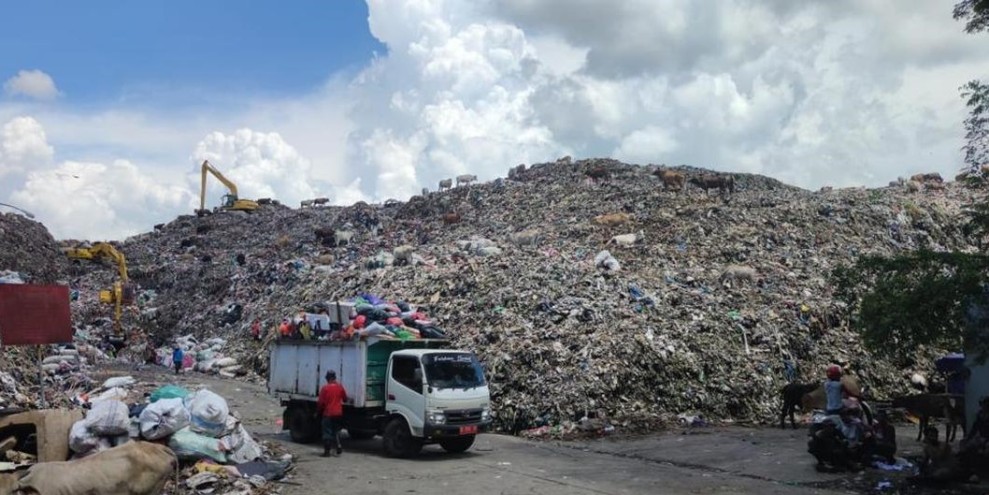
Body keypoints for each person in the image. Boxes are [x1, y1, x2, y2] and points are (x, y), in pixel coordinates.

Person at [316, 370, 347, 457]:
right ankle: (339, 446)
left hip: (328, 413)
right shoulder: (340, 387)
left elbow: (320, 403)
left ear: (328, 378)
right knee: (336, 431)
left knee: (327, 432)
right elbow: (345, 399)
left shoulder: (325, 388)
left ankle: (327, 452)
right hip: (338, 414)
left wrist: (317, 412)